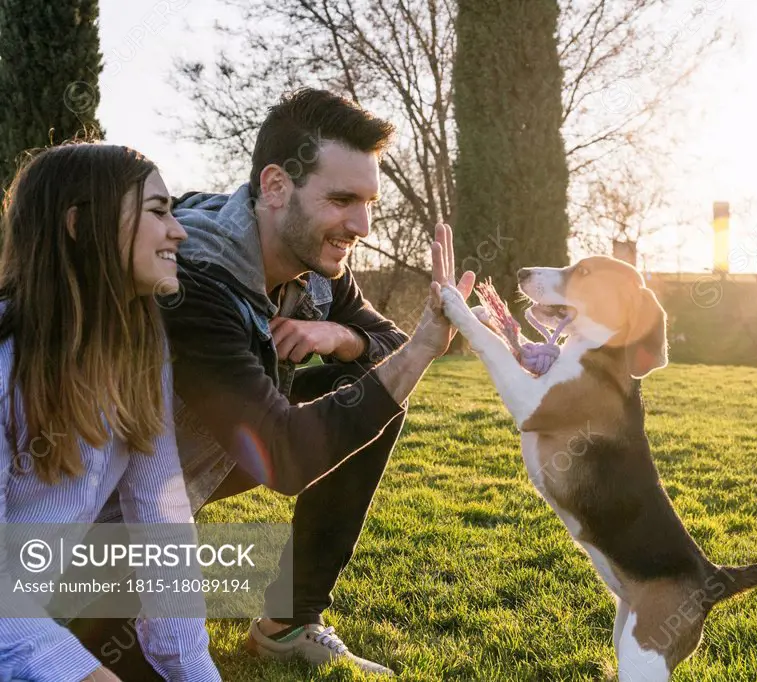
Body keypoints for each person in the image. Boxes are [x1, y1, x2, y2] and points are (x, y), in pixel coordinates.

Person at [78, 88, 475, 676]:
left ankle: (289, 621)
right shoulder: (191, 277)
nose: (361, 225)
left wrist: (343, 338)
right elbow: (284, 460)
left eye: (368, 202)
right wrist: (420, 347)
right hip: (92, 521)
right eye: (342, 200)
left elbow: (382, 345)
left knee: (371, 392)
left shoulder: (314, 263)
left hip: (186, 475)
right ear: (274, 187)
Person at [0, 144, 220, 681]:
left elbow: (162, 520)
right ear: (80, 224)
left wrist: (195, 672)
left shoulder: (142, 360)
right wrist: (82, 672)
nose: (180, 231)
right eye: (157, 211)